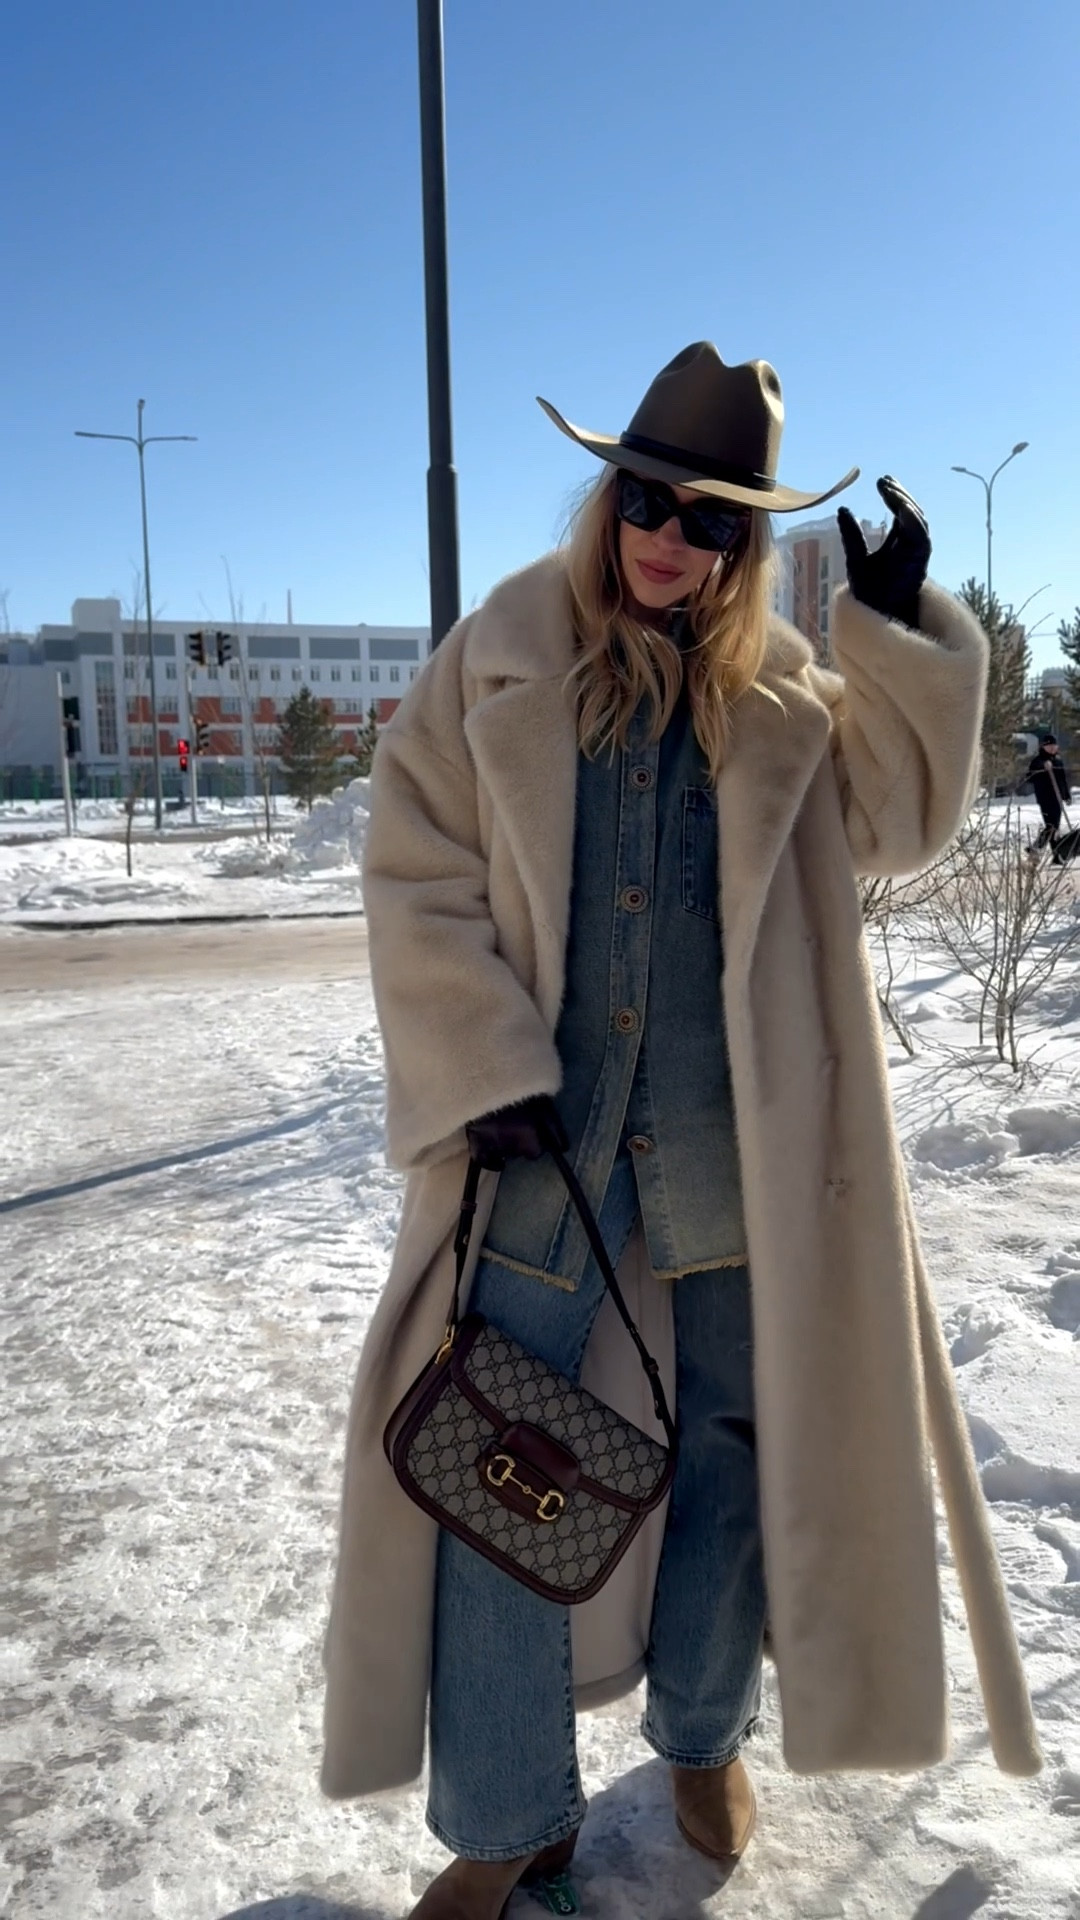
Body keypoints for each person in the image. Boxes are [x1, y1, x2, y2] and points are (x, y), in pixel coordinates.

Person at [320, 344, 1041, 1917]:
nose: (672, 541)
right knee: (488, 1459)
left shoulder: (785, 704)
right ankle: (509, 1821)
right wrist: (479, 1059)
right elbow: (418, 867)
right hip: (540, 1151)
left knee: (726, 1458)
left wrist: (906, 627)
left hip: (737, 1161)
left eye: (713, 524)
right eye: (651, 501)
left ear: (742, 551)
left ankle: (703, 1736)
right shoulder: (499, 661)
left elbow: (910, 824)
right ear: (611, 497)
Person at [1026, 734, 1072, 855]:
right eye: (1049, 746)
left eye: (1054, 745)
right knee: (1051, 825)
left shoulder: (1058, 761)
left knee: (1054, 826)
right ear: (1043, 747)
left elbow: (1062, 780)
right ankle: (1040, 847)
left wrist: (1066, 795)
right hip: (1045, 797)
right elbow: (1030, 778)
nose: (1052, 748)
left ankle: (1056, 854)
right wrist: (1043, 769)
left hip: (1057, 798)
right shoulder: (1038, 761)